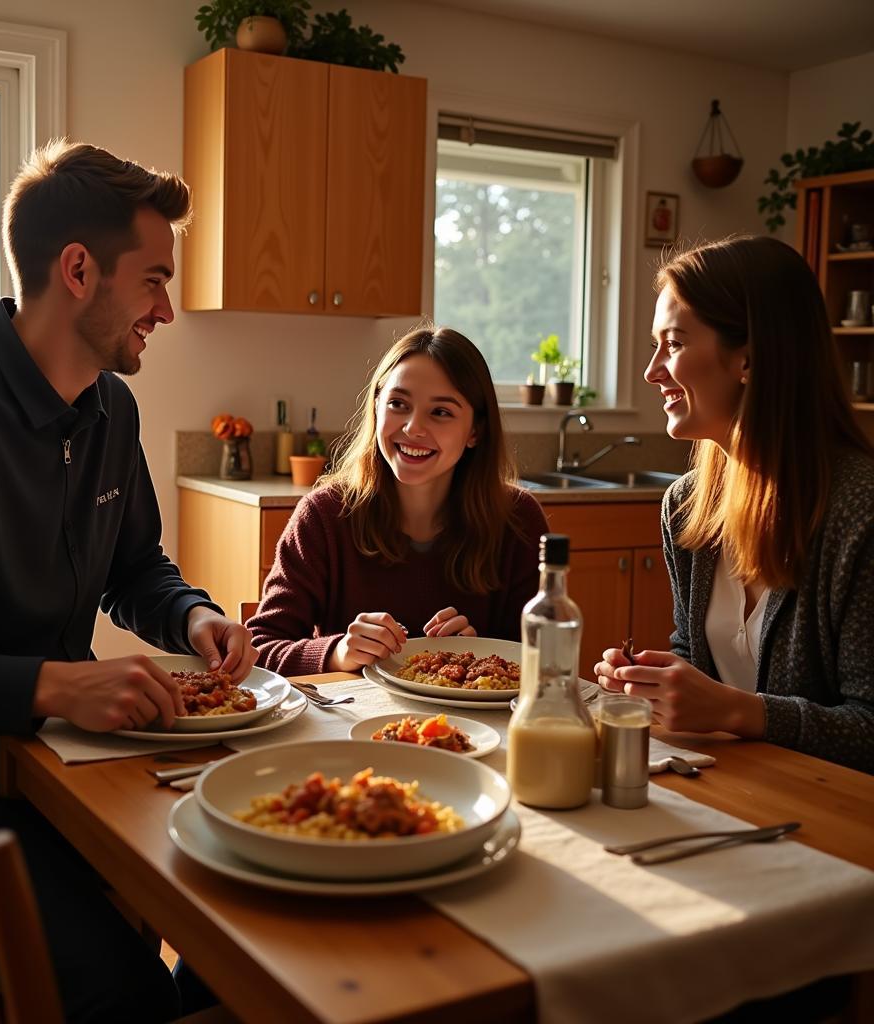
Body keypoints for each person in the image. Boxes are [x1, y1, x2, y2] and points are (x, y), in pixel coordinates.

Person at [0, 140, 257, 1021]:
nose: (169, 309)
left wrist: (193, 619)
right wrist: (46, 684)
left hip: (43, 766)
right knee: (116, 987)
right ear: (78, 270)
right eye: (153, 280)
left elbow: (135, 566)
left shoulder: (112, 409)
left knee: (225, 900)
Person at [594, 235, 874, 774]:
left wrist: (741, 712)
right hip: (737, 794)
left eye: (672, 344)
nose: (652, 371)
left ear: (748, 357)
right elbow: (697, 660)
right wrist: (656, 681)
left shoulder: (859, 512)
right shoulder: (686, 506)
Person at [248, 325, 548, 675]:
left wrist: (479, 657)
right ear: (377, 407)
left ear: (475, 431)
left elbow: (544, 663)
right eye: (398, 404)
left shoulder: (518, 520)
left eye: (441, 412)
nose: (412, 428)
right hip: (351, 725)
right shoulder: (323, 515)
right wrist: (337, 652)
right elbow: (260, 647)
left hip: (482, 728)